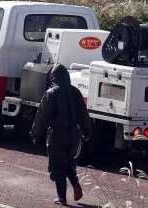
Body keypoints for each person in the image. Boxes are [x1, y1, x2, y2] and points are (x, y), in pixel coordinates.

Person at [31, 64, 92, 206]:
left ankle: (61, 198)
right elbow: (83, 114)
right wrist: (87, 132)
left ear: (53, 77)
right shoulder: (76, 92)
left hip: (57, 134)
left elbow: (42, 116)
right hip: (74, 134)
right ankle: (76, 185)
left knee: (58, 165)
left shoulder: (51, 93)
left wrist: (35, 134)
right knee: (69, 161)